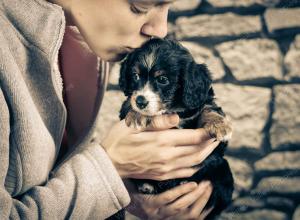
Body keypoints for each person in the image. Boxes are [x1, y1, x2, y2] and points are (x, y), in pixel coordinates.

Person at [0, 0, 219, 219]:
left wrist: (121, 193)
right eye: (140, 7)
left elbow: (56, 166)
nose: (160, 31)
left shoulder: (86, 36)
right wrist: (109, 168)